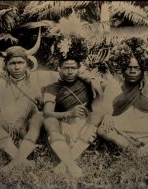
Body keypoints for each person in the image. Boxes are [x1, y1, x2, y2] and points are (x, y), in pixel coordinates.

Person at [97, 37, 148, 161]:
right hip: (123, 127)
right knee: (102, 130)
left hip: (146, 129)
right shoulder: (115, 86)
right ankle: (134, 150)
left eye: (137, 68)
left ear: (142, 71)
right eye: (129, 68)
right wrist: (108, 114)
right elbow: (105, 108)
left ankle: (143, 150)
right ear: (122, 68)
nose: (132, 71)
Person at [0, 44, 59, 170]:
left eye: (20, 63)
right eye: (12, 63)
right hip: (7, 127)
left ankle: (15, 162)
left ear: (27, 64)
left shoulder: (37, 79)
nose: (17, 67)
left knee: (37, 117)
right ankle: (21, 160)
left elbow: (64, 77)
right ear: (6, 65)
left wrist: (41, 104)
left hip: (27, 128)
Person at [42, 36, 103, 178]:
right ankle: (72, 165)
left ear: (79, 69)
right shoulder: (52, 88)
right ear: (59, 69)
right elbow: (47, 113)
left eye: (73, 68)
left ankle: (64, 164)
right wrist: (68, 113)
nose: (70, 72)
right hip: (65, 126)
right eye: (66, 68)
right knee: (48, 121)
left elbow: (103, 96)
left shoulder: (86, 82)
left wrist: (94, 80)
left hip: (85, 125)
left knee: (98, 114)